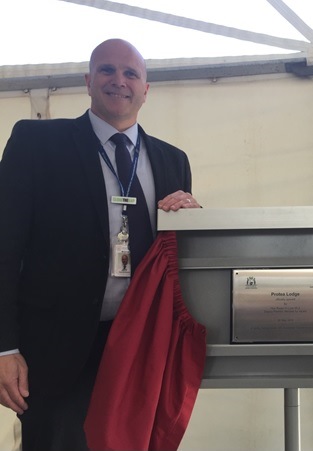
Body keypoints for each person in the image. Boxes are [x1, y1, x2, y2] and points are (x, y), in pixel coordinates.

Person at [0, 38, 201, 450]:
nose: (119, 81)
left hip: (141, 347)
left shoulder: (172, 160)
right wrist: (4, 347)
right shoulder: (37, 144)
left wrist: (195, 216)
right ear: (89, 80)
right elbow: (4, 247)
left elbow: (176, 259)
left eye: (131, 73)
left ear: (146, 90)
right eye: (107, 70)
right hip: (55, 351)